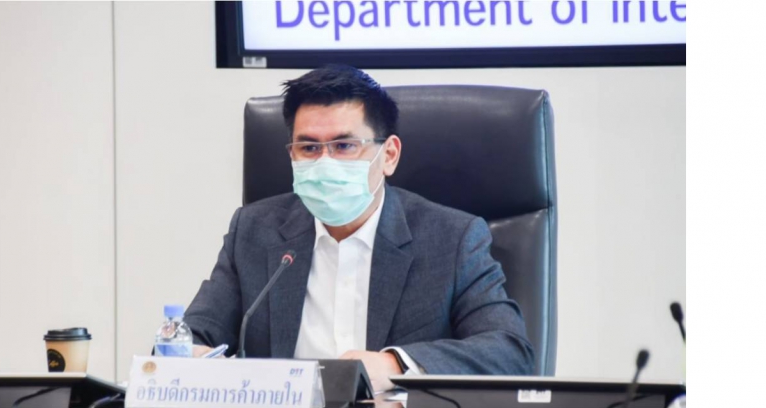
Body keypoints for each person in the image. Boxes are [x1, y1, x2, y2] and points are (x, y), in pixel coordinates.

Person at [184, 64, 534, 392]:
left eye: (344, 146)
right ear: (292, 155)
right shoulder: (254, 232)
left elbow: (509, 352)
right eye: (309, 147)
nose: (325, 163)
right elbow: (191, 337)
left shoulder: (452, 239)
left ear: (389, 155)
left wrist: (393, 364)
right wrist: (190, 359)